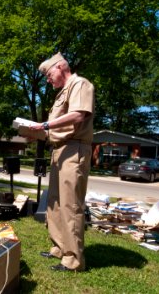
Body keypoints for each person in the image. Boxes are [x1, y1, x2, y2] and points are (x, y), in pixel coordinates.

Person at [29, 52, 95, 272]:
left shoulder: (80, 84)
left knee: (71, 205)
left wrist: (44, 126)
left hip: (74, 149)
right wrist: (34, 132)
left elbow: (78, 115)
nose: (48, 80)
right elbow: (57, 128)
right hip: (59, 151)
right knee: (55, 203)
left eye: (49, 75)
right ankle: (59, 247)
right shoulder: (62, 93)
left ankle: (74, 259)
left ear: (60, 67)